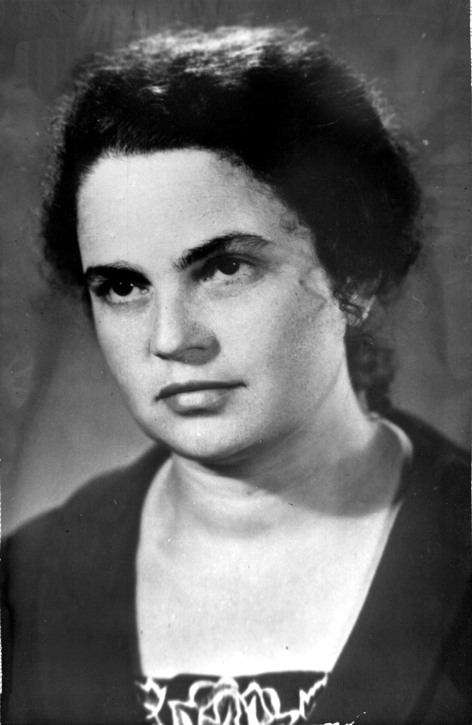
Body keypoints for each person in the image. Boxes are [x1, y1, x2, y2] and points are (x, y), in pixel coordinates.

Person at [2, 26, 470, 725]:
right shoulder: (28, 585)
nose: (170, 339)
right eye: (123, 287)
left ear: (356, 272)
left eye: (225, 268)